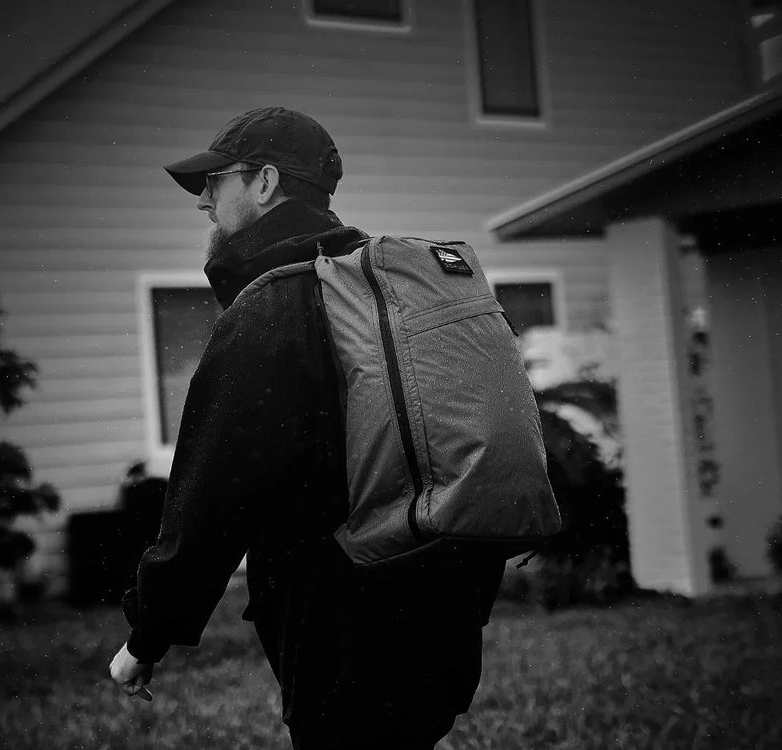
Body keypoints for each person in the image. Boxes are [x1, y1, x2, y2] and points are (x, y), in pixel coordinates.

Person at [108, 106, 505, 749]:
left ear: (265, 182)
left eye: (216, 181)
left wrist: (146, 634)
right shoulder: (385, 290)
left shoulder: (272, 307)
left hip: (346, 629)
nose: (203, 200)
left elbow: (210, 503)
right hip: (443, 601)